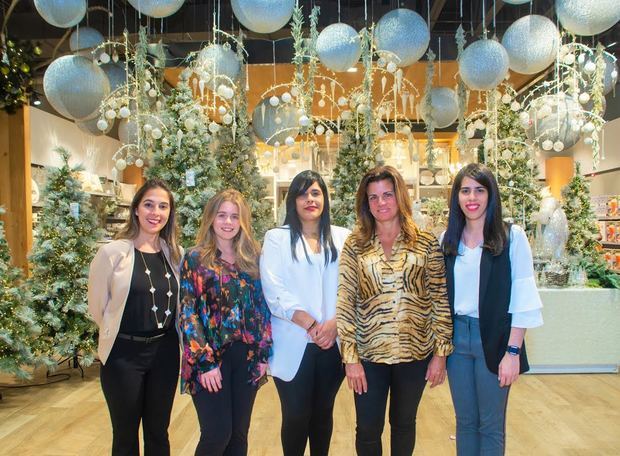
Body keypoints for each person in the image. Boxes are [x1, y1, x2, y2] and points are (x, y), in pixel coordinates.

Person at [336, 165, 454, 456]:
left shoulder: (426, 243)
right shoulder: (355, 245)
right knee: (367, 429)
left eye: (387, 194)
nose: (381, 203)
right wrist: (350, 359)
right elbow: (345, 302)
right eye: (373, 197)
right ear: (366, 203)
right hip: (369, 355)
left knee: (404, 424)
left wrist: (440, 354)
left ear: (400, 196)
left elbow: (440, 299)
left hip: (414, 354)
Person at [441, 163, 543, 456]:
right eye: (465, 190)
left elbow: (523, 297)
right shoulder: (447, 240)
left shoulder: (512, 238)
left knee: (491, 424)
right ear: (457, 197)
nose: (472, 197)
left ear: (490, 195)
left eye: (479, 190)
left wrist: (513, 352)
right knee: (465, 421)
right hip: (458, 339)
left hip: (497, 339)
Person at [88, 179, 182, 456]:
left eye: (163, 206)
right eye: (149, 205)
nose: (156, 213)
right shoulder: (112, 253)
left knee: (158, 432)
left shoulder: (174, 254)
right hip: (123, 356)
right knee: (125, 434)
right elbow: (98, 307)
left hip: (164, 352)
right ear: (137, 210)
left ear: (169, 213)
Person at [260, 170, 351, 456]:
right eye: (302, 193)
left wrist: (334, 324)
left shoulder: (343, 237)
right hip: (293, 341)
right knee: (296, 415)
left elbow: (351, 287)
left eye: (315, 192)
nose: (309, 199)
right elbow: (274, 290)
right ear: (292, 201)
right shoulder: (277, 238)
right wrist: (311, 325)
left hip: (331, 344)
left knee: (323, 415)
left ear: (324, 198)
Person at [179, 189, 272, 456]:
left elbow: (263, 308)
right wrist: (205, 362)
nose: (228, 222)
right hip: (209, 358)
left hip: (247, 358)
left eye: (235, 216)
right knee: (217, 434)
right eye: (222, 215)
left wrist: (263, 354)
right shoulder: (195, 258)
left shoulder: (254, 257)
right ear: (211, 218)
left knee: (239, 437)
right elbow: (188, 312)